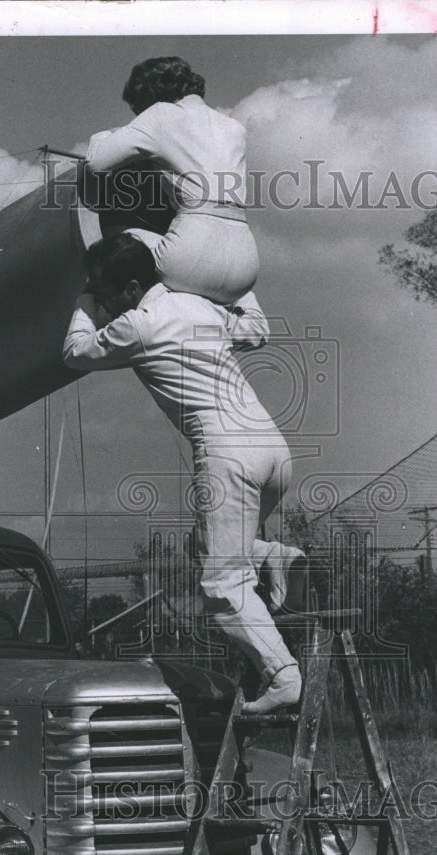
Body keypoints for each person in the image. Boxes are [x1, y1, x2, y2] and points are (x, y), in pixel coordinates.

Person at [62, 233, 301, 713]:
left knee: (222, 586)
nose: (105, 306)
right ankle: (272, 553)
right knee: (206, 544)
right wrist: (223, 277)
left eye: (108, 295)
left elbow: (74, 352)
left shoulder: (139, 324)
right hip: (273, 451)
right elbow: (256, 328)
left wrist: (84, 299)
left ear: (131, 289)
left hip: (227, 456)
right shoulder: (199, 306)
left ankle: (283, 677)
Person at [84, 56, 259, 306]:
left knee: (121, 238)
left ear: (149, 96)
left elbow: (96, 164)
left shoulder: (160, 114)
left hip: (188, 259)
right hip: (245, 270)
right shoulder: (234, 127)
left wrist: (106, 135)